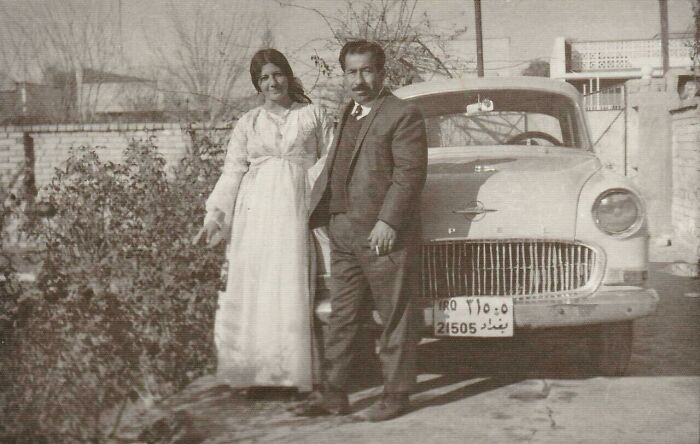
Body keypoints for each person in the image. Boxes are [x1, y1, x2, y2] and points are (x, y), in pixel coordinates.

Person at [297, 40, 428, 421]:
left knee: (394, 314)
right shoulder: (348, 112)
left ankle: (396, 393)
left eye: (367, 70)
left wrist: (389, 221)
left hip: (381, 233)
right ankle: (333, 394)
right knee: (342, 315)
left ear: (382, 72)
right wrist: (326, 218)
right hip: (342, 230)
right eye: (351, 72)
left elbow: (409, 174)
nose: (359, 80)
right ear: (343, 75)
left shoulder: (402, 114)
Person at [194, 48, 334, 397]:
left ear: (288, 74)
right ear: (257, 85)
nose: (273, 83)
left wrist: (313, 197)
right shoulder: (248, 123)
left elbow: (331, 161)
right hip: (254, 216)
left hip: (296, 210)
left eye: (277, 74)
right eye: (264, 79)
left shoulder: (313, 115)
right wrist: (215, 216)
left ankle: (291, 373)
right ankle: (256, 373)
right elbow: (232, 171)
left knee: (290, 287)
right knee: (256, 289)